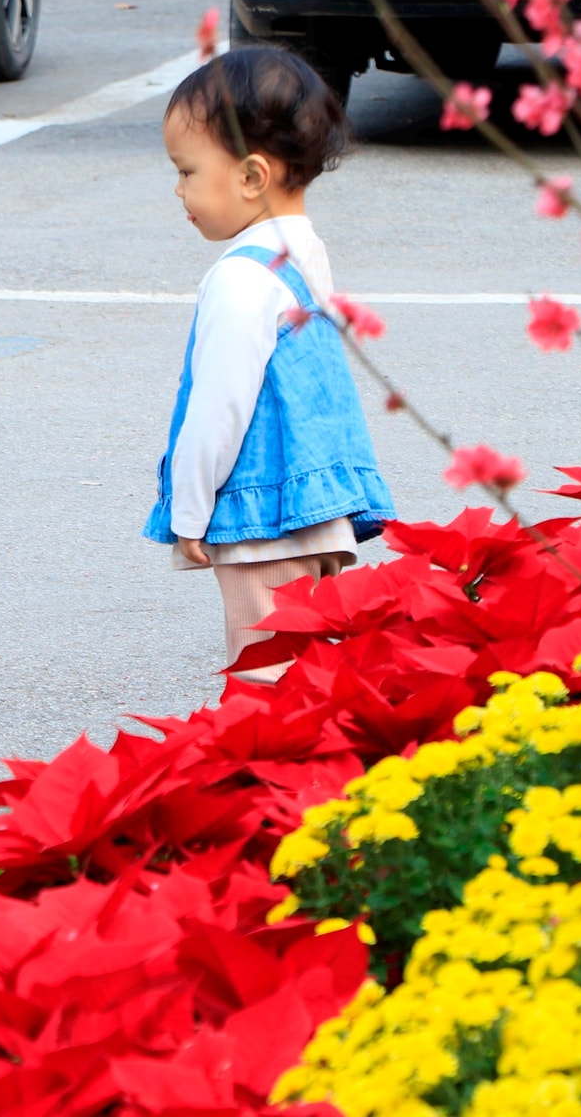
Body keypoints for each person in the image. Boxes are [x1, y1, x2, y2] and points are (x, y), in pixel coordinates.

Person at [144, 45, 395, 683]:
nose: (178, 190)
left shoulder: (241, 279)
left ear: (252, 176)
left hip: (266, 525)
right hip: (317, 512)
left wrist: (189, 508)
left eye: (187, 171)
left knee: (269, 679)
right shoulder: (305, 251)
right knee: (312, 673)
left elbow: (221, 404)